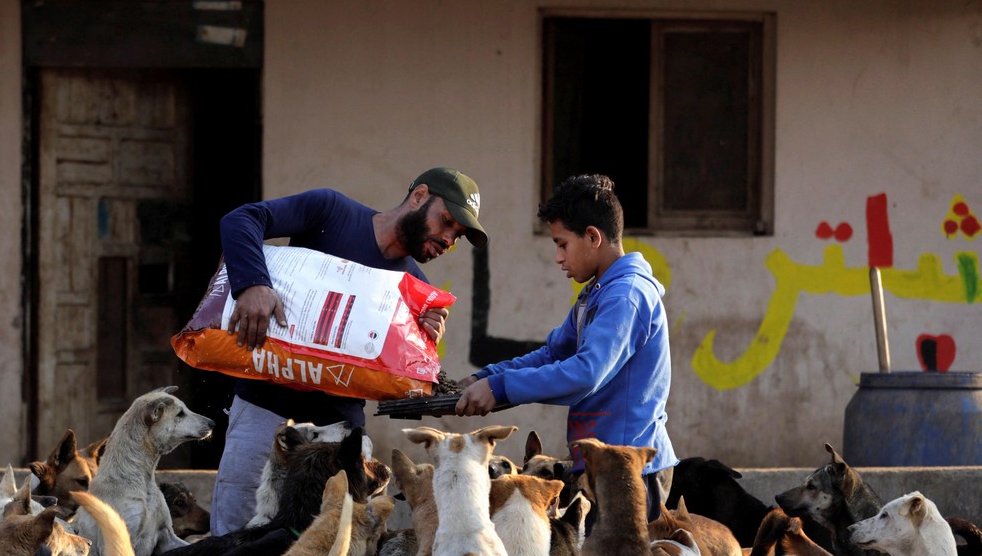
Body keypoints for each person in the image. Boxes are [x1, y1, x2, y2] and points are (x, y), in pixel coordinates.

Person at [209, 167, 487, 536]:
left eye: (458, 235)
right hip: (263, 400)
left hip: (339, 428)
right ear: (419, 196)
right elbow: (241, 219)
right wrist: (253, 284)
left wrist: (420, 349)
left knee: (331, 543)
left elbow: (391, 382)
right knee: (232, 531)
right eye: (447, 221)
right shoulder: (331, 210)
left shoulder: (415, 289)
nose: (449, 238)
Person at [454, 174, 677, 520]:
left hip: (629, 471)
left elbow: (585, 373)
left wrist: (499, 388)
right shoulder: (596, 294)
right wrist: (484, 377)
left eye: (562, 244)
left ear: (592, 236)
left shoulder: (626, 295)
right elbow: (553, 354)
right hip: (599, 467)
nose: (558, 258)